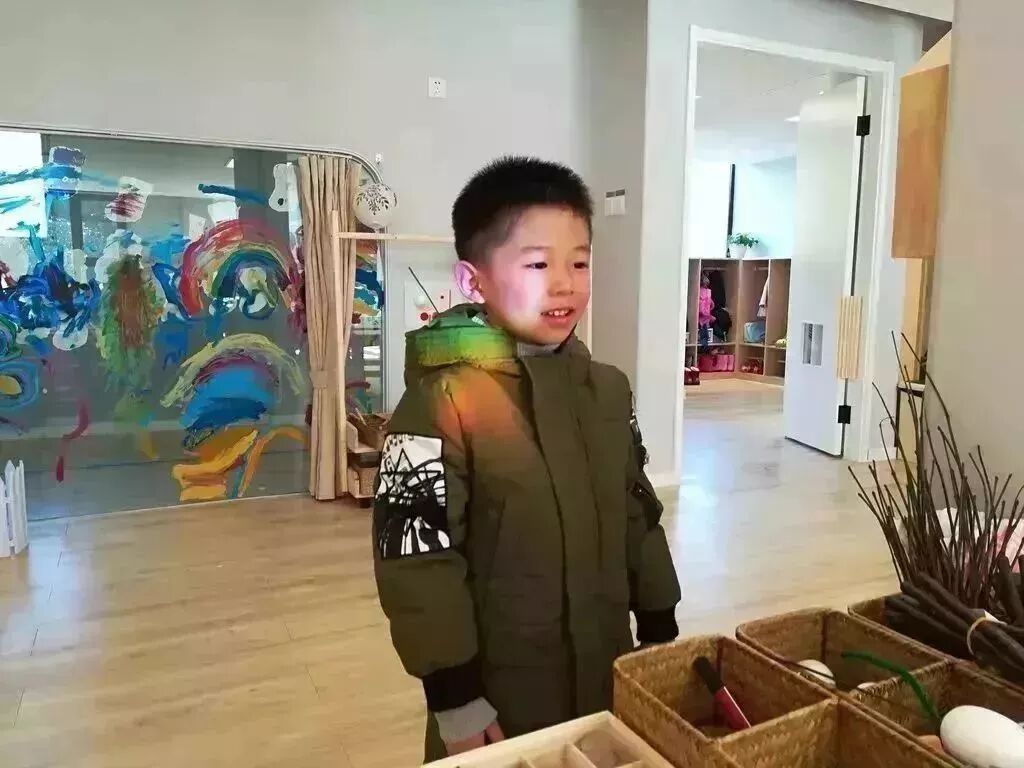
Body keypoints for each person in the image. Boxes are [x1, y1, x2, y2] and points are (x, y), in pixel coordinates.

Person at [372, 156, 681, 762]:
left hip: (607, 669)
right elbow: (415, 557)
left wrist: (658, 622)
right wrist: (454, 695)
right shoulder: (438, 403)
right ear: (473, 281)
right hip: (499, 692)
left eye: (579, 262)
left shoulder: (608, 390)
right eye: (538, 264)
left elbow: (636, 511)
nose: (564, 284)